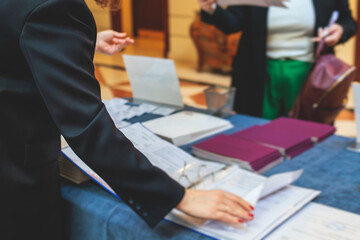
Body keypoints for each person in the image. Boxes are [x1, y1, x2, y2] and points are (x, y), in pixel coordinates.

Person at [0, 0, 254, 239]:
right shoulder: (55, 8)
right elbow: (87, 125)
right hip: (15, 176)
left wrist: (82, 42)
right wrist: (178, 197)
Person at [198, 0, 357, 119]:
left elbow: (348, 21)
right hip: (258, 70)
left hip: (309, 73)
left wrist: (341, 30)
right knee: (257, 130)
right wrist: (211, 8)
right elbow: (232, 24)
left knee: (303, 131)